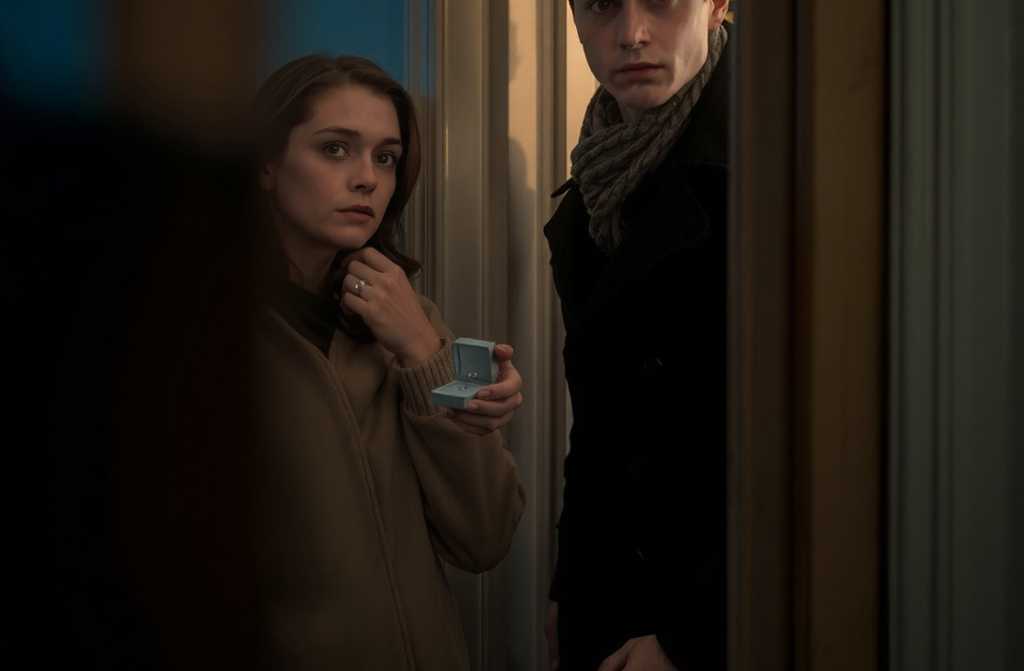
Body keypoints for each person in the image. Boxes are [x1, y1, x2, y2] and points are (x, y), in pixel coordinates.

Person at [248, 55, 526, 669]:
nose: (367, 179)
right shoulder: (207, 337)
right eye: (335, 149)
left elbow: (486, 536)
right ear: (267, 163)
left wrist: (426, 354)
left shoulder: (414, 317)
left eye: (386, 157)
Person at [544, 2, 732, 670]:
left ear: (717, 5)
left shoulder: (773, 154)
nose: (631, 34)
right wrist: (571, 588)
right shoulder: (595, 188)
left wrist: (691, 636)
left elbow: (802, 439)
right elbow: (601, 426)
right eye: (601, 5)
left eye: (661, 0)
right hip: (610, 602)